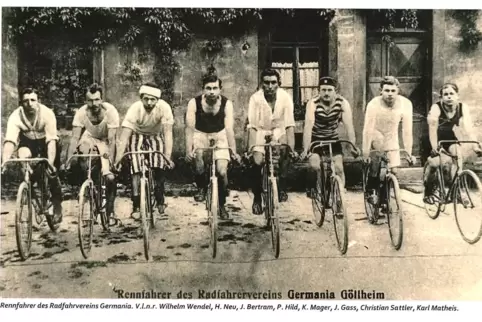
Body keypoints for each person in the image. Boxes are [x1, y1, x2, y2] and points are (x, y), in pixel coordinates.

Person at [2, 87, 63, 222]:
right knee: (23, 159)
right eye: (25, 101)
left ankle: (57, 205)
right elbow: (10, 141)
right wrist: (4, 162)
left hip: (48, 142)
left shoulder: (47, 113)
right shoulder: (15, 116)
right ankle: (30, 193)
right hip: (29, 143)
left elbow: (51, 141)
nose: (29, 104)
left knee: (51, 172)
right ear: (21, 103)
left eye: (32, 100)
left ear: (38, 101)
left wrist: (50, 163)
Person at [185, 74, 241, 219]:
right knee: (198, 160)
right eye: (208, 88)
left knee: (222, 172)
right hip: (200, 134)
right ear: (203, 90)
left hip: (220, 135)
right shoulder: (194, 103)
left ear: (220, 90)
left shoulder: (226, 103)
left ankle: (221, 205)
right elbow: (189, 128)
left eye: (215, 88)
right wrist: (188, 150)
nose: (211, 91)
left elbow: (229, 129)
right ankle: (201, 187)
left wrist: (233, 151)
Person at [115, 82, 175, 217]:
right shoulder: (134, 109)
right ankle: (136, 204)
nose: (149, 102)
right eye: (146, 99)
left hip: (155, 135)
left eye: (153, 99)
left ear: (157, 100)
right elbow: (124, 136)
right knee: (135, 167)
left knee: (159, 164)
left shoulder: (164, 108)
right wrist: (118, 160)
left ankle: (160, 199)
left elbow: (168, 134)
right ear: (141, 98)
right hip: (137, 135)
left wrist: (167, 157)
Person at [63, 83, 119, 222]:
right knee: (84, 156)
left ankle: (110, 211)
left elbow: (112, 140)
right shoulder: (81, 113)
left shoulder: (110, 111)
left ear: (101, 99)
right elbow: (75, 137)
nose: (94, 103)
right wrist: (68, 160)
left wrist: (111, 161)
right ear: (85, 100)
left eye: (97, 99)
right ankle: (91, 191)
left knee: (110, 177)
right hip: (89, 139)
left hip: (106, 141)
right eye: (90, 100)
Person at [246, 68, 298, 215]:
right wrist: (251, 149)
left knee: (285, 152)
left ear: (278, 84)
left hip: (278, 130)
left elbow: (289, 125)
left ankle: (281, 186)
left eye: (273, 83)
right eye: (267, 83)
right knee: (256, 162)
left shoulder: (285, 98)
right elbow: (253, 126)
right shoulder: (255, 99)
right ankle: (257, 196)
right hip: (261, 131)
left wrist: (291, 149)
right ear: (262, 84)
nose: (270, 86)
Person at [423, 83, 482, 204]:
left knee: (457, 155)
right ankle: (428, 192)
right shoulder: (436, 107)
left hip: (449, 137)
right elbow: (433, 129)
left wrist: (475, 145)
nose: (449, 97)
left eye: (451, 94)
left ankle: (455, 190)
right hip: (431, 138)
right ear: (441, 97)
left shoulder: (462, 107)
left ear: (457, 96)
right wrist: (435, 147)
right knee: (435, 164)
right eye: (446, 94)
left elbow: (468, 128)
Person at [300, 76, 359, 197]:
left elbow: (349, 126)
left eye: (329, 90)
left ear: (335, 91)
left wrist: (353, 145)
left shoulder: (342, 103)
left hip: (333, 139)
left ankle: (340, 197)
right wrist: (306, 149)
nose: (326, 93)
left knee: (338, 168)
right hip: (316, 140)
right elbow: (308, 126)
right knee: (314, 166)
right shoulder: (313, 103)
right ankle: (313, 188)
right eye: (323, 90)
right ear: (319, 91)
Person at [362, 76, 416, 205]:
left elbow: (407, 130)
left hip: (391, 135)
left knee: (394, 170)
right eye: (387, 91)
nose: (390, 94)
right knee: (378, 152)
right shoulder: (373, 104)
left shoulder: (406, 104)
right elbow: (368, 129)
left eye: (393, 91)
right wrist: (365, 152)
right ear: (381, 91)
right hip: (375, 133)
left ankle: (384, 199)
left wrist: (409, 152)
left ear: (398, 91)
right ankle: (371, 187)